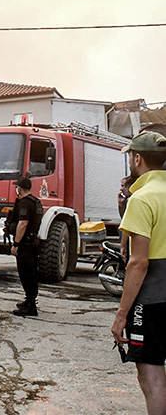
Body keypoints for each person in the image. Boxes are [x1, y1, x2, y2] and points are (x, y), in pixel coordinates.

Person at [111, 131, 166, 414]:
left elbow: (138, 262)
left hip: (154, 299)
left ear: (137, 158)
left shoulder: (142, 199)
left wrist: (122, 314)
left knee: (152, 375)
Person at [9, 177, 43, 317]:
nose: (16, 189)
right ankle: (29, 301)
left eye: (17, 187)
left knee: (26, 274)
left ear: (20, 188)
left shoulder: (25, 203)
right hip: (33, 241)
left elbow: (23, 223)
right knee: (32, 273)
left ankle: (30, 306)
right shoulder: (36, 202)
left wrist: (16, 244)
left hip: (25, 244)